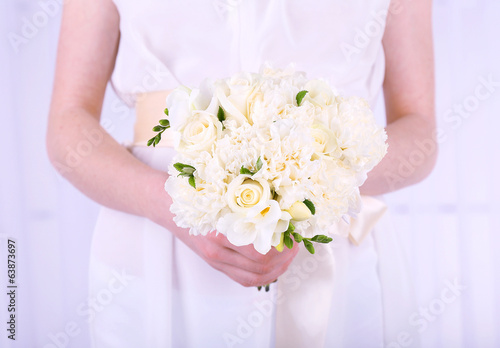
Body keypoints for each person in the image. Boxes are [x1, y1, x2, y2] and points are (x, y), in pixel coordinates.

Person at [46, 0, 436, 347]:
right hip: (153, 248)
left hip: (332, 252)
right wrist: (176, 206)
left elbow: (419, 130)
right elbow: (68, 124)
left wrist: (307, 187)